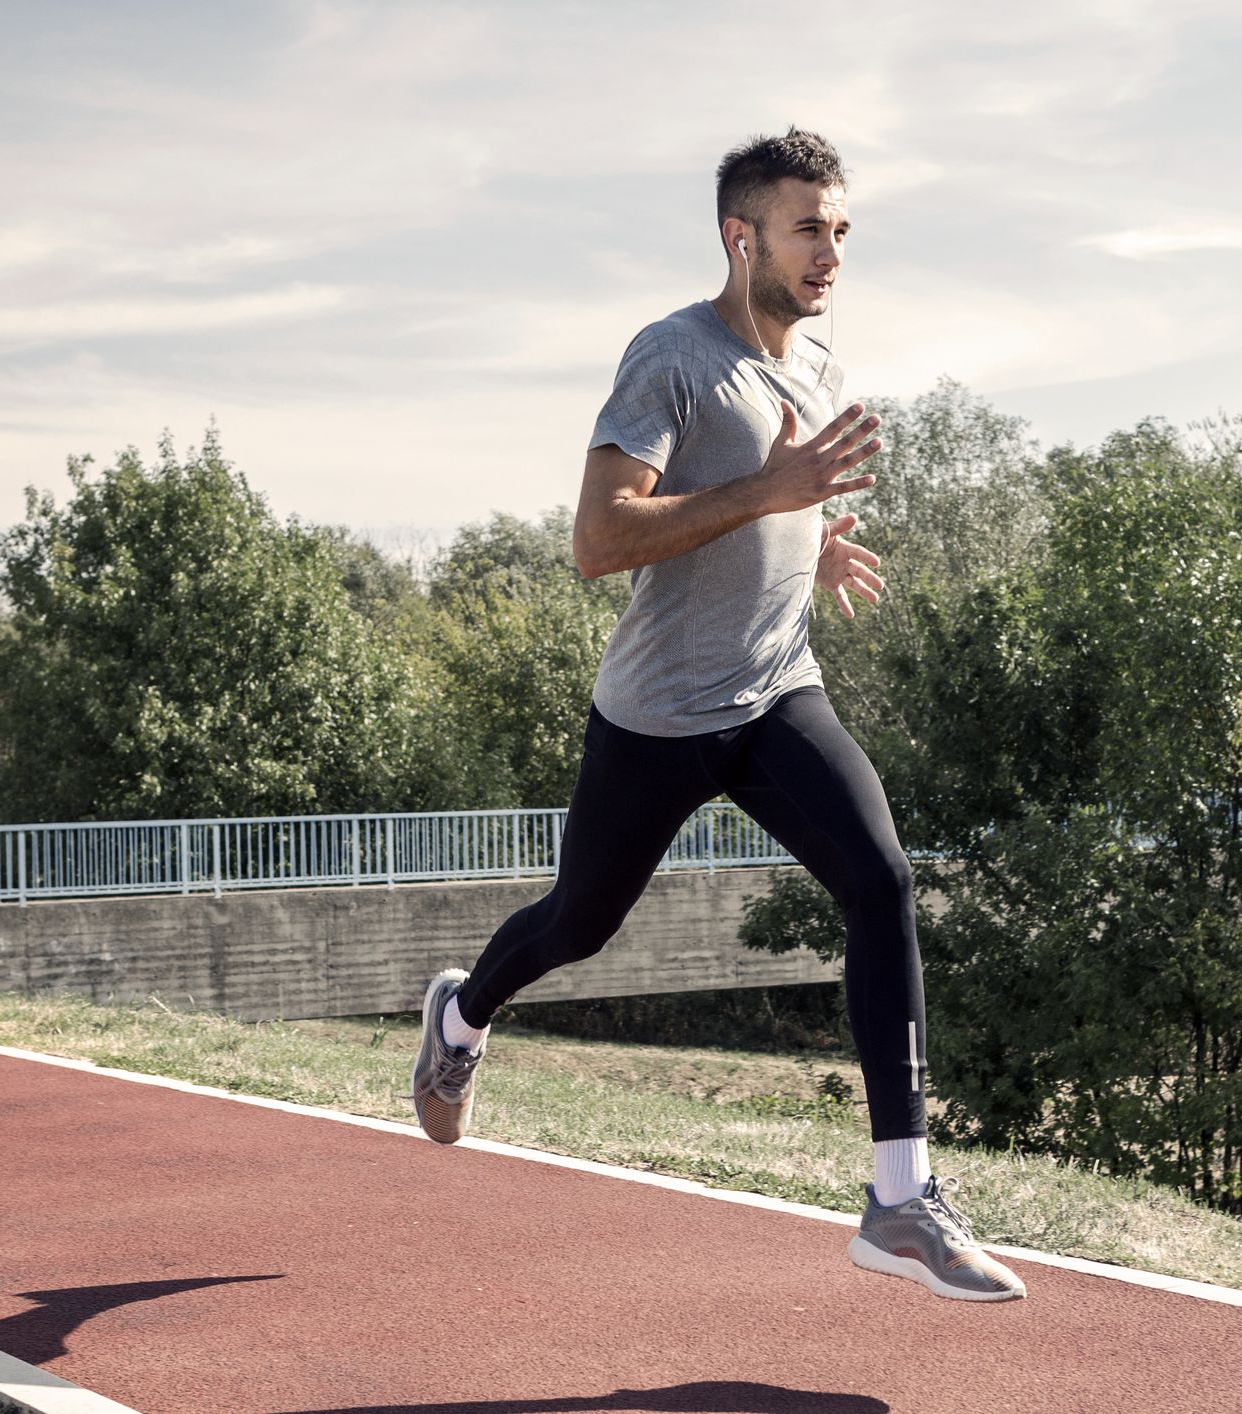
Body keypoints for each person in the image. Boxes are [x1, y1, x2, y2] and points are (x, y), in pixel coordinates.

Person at [407, 127, 1025, 1302]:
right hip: (659, 716)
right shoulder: (670, 358)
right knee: (579, 923)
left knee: (881, 880)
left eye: (841, 228)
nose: (831, 251)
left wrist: (813, 538)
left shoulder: (820, 366)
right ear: (741, 237)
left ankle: (900, 1199)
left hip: (777, 688)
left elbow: (764, 502)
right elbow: (600, 540)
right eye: (807, 227)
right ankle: (464, 1012)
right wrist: (772, 494)